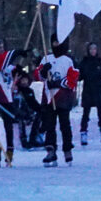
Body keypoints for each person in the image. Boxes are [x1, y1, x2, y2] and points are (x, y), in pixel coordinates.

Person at [34, 34, 79, 167]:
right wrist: (43, 72)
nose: (56, 45)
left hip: (63, 97)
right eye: (54, 42)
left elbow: (73, 78)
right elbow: (37, 75)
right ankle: (51, 150)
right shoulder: (47, 58)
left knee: (65, 125)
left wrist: (59, 83)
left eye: (58, 42)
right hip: (48, 98)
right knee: (49, 125)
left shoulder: (68, 60)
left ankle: (67, 149)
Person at [0, 39, 27, 166]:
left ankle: (10, 150)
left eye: (3, 47)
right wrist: (16, 52)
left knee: (8, 124)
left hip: (7, 97)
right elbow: (0, 62)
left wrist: (18, 70)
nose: (2, 50)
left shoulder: (6, 62)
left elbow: (12, 70)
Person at [78, 42, 101, 147]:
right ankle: (83, 133)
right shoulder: (84, 62)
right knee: (86, 113)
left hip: (99, 90)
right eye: (91, 49)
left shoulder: (100, 61)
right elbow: (79, 75)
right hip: (88, 90)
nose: (93, 51)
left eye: (95, 49)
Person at [12, 68, 44, 149]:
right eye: (23, 80)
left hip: (28, 113)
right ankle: (23, 140)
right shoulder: (17, 91)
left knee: (40, 116)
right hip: (17, 114)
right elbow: (15, 105)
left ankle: (33, 139)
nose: (24, 82)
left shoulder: (30, 91)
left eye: (26, 80)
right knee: (21, 119)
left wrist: (41, 109)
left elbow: (34, 103)